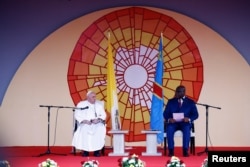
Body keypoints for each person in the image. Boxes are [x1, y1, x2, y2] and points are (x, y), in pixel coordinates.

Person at [163, 85, 199, 157]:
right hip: (174, 123)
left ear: (184, 92)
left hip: (184, 123)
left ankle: (185, 150)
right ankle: (171, 150)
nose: (176, 93)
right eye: (176, 91)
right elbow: (165, 113)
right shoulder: (171, 101)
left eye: (178, 92)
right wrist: (169, 119)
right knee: (169, 128)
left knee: (186, 128)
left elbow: (196, 114)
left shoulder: (190, 102)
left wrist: (188, 119)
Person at [72, 91, 106, 157]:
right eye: (93, 97)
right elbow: (77, 115)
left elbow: (103, 115)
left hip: (96, 124)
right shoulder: (81, 104)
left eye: (95, 97)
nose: (95, 98)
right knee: (84, 129)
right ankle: (85, 151)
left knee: (100, 129)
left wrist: (98, 120)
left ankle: (97, 151)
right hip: (85, 124)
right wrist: (84, 121)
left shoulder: (99, 105)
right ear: (88, 97)